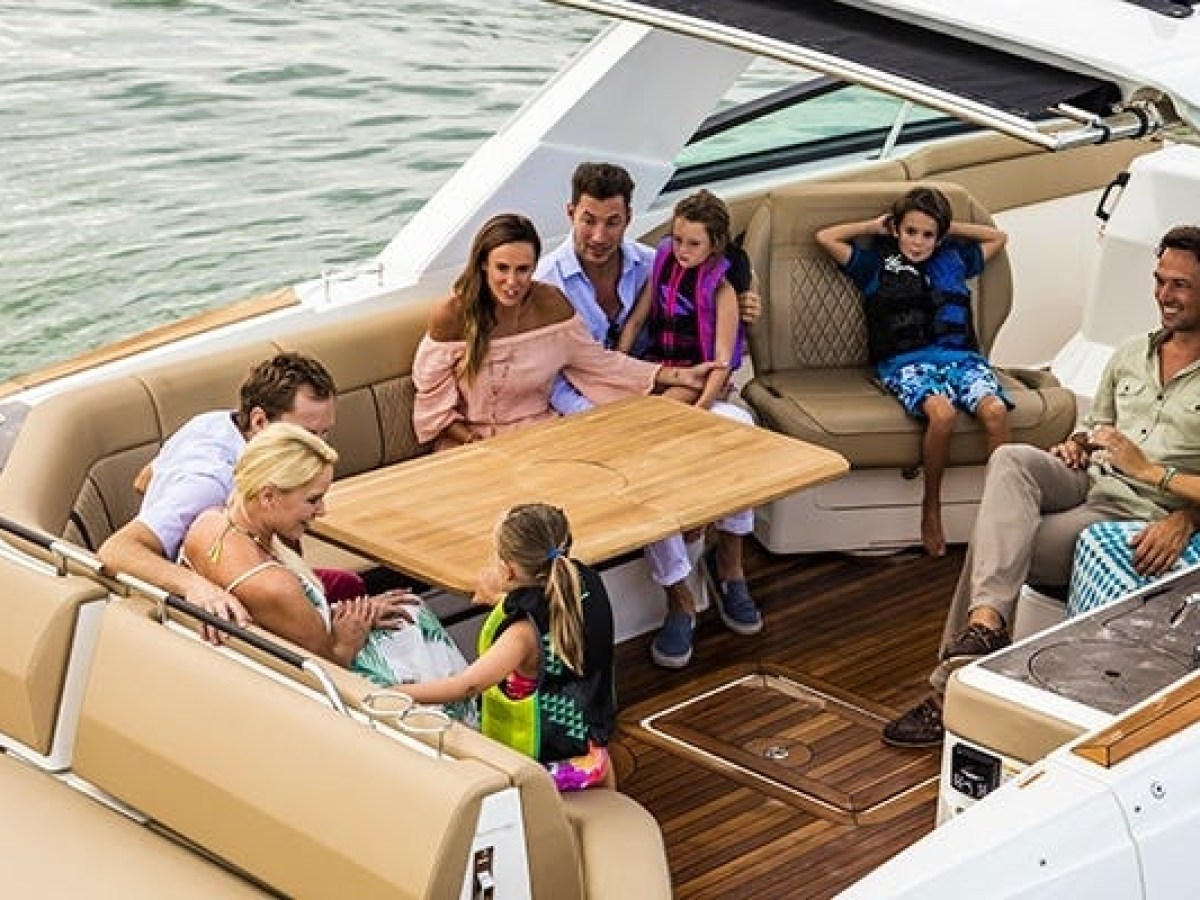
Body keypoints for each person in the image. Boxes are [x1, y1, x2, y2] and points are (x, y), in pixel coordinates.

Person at [883, 225, 1200, 748]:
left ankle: (950, 690)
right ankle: (985, 629)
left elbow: (1148, 471)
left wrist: (1170, 497)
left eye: (1180, 286)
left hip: (1131, 509)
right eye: (1159, 281)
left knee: (999, 543)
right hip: (1088, 478)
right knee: (1010, 459)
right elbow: (1095, 428)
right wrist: (1077, 443)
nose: (1163, 296)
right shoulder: (1129, 354)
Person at [536, 162, 764, 670]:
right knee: (642, 470)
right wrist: (607, 417)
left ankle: (731, 568)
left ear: (629, 219)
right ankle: (681, 600)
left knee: (743, 429)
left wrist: (745, 301)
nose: (599, 235)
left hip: (672, 396)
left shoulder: (651, 263)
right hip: (596, 412)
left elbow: (720, 296)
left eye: (612, 222)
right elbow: (552, 380)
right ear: (571, 213)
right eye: (589, 220)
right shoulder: (545, 285)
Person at [180, 423, 477, 723]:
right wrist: (350, 637)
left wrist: (358, 613)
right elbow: (326, 674)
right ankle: (472, 725)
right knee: (413, 616)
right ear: (268, 496)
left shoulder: (208, 525)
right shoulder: (275, 585)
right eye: (312, 499)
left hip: (266, 668)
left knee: (406, 609)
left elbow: (288, 628)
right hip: (336, 698)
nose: (322, 511)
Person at [411, 212, 717, 450]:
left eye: (523, 269)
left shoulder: (551, 304)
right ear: (483, 266)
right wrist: (475, 443)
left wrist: (678, 375)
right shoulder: (451, 315)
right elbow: (433, 406)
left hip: (543, 434)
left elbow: (598, 362)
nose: (513, 282)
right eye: (502, 268)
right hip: (471, 443)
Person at [816, 186, 1011, 557]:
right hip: (906, 363)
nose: (918, 243)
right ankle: (931, 508)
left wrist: (949, 229)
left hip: (962, 360)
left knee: (996, 411)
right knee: (942, 414)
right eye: (910, 232)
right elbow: (825, 238)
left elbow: (998, 238)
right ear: (896, 230)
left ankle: (998, 516)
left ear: (940, 237)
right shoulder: (875, 266)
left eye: (927, 235)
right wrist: (875, 227)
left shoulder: (955, 259)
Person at [98, 352, 339, 631]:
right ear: (259, 422)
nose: (321, 447)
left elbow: (143, 479)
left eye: (325, 434)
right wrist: (196, 586)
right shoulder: (212, 482)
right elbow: (116, 549)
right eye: (307, 435)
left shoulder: (211, 423)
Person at [403, 503, 615, 791]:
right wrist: (502, 600)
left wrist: (390, 694)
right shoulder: (584, 583)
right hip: (593, 756)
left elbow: (465, 687)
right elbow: (547, 610)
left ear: (509, 570)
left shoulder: (521, 636)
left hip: (543, 772)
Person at [1068, 426, 1200, 616]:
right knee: (1017, 462)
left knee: (1101, 543)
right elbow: (1092, 425)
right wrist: (1077, 443)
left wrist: (1148, 471)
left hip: (1147, 506)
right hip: (1095, 477)